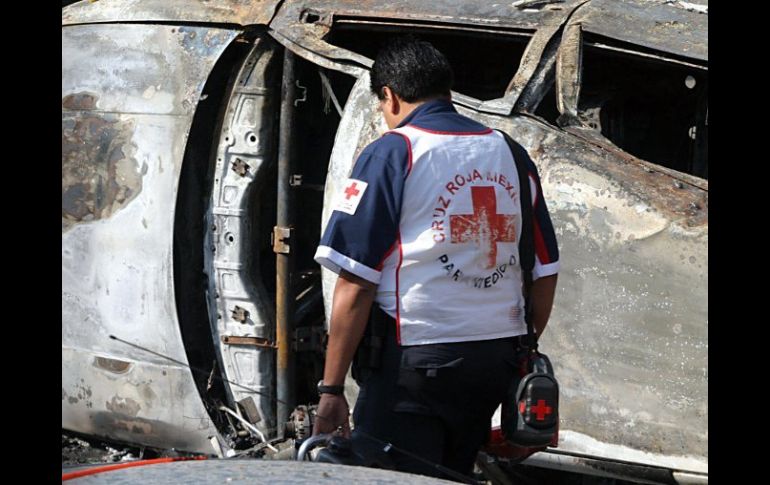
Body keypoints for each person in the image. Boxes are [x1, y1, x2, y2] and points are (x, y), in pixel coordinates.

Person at [312, 37, 559, 480]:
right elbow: (544, 271)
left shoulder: (393, 152)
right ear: (447, 89)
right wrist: (518, 348)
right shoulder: (509, 152)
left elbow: (356, 282)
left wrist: (331, 388)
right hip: (493, 364)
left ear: (388, 95)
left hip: (415, 366)